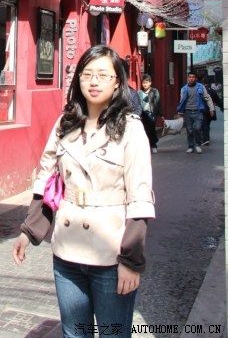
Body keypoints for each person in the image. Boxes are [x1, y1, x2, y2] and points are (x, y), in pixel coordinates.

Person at [12, 45, 155, 338]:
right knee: (74, 333)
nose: (94, 82)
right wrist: (29, 231)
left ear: (117, 82)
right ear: (78, 79)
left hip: (111, 255)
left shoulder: (130, 129)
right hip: (67, 253)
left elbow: (140, 198)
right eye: (87, 74)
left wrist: (131, 261)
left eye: (103, 75)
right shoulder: (65, 123)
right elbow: (48, 180)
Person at [177, 70, 215, 154]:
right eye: (190, 77)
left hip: (198, 111)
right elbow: (182, 101)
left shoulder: (201, 87)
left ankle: (197, 145)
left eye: (193, 77)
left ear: (196, 78)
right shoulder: (184, 89)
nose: (191, 79)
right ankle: (191, 146)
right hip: (188, 111)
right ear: (188, 78)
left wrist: (211, 109)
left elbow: (207, 98)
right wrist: (180, 111)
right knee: (189, 130)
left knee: (197, 128)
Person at [138, 74, 163, 153]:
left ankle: (153, 145)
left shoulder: (154, 91)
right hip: (143, 114)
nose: (145, 84)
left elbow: (158, 102)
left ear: (150, 83)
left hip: (152, 114)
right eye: (143, 82)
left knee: (151, 129)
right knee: (145, 130)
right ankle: (147, 146)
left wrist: (161, 114)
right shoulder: (139, 92)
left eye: (146, 82)